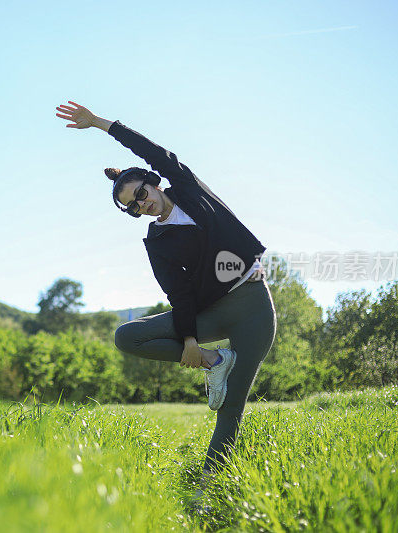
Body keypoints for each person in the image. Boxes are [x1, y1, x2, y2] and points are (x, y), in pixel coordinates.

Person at [55, 101, 277, 478]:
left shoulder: (188, 189)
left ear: (152, 182)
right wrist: (191, 342)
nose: (143, 204)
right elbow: (179, 293)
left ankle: (209, 485)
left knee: (230, 409)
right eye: (133, 207)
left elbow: (154, 152)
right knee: (127, 337)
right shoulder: (157, 241)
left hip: (254, 307)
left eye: (141, 193)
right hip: (212, 311)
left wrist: (99, 124)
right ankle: (216, 362)